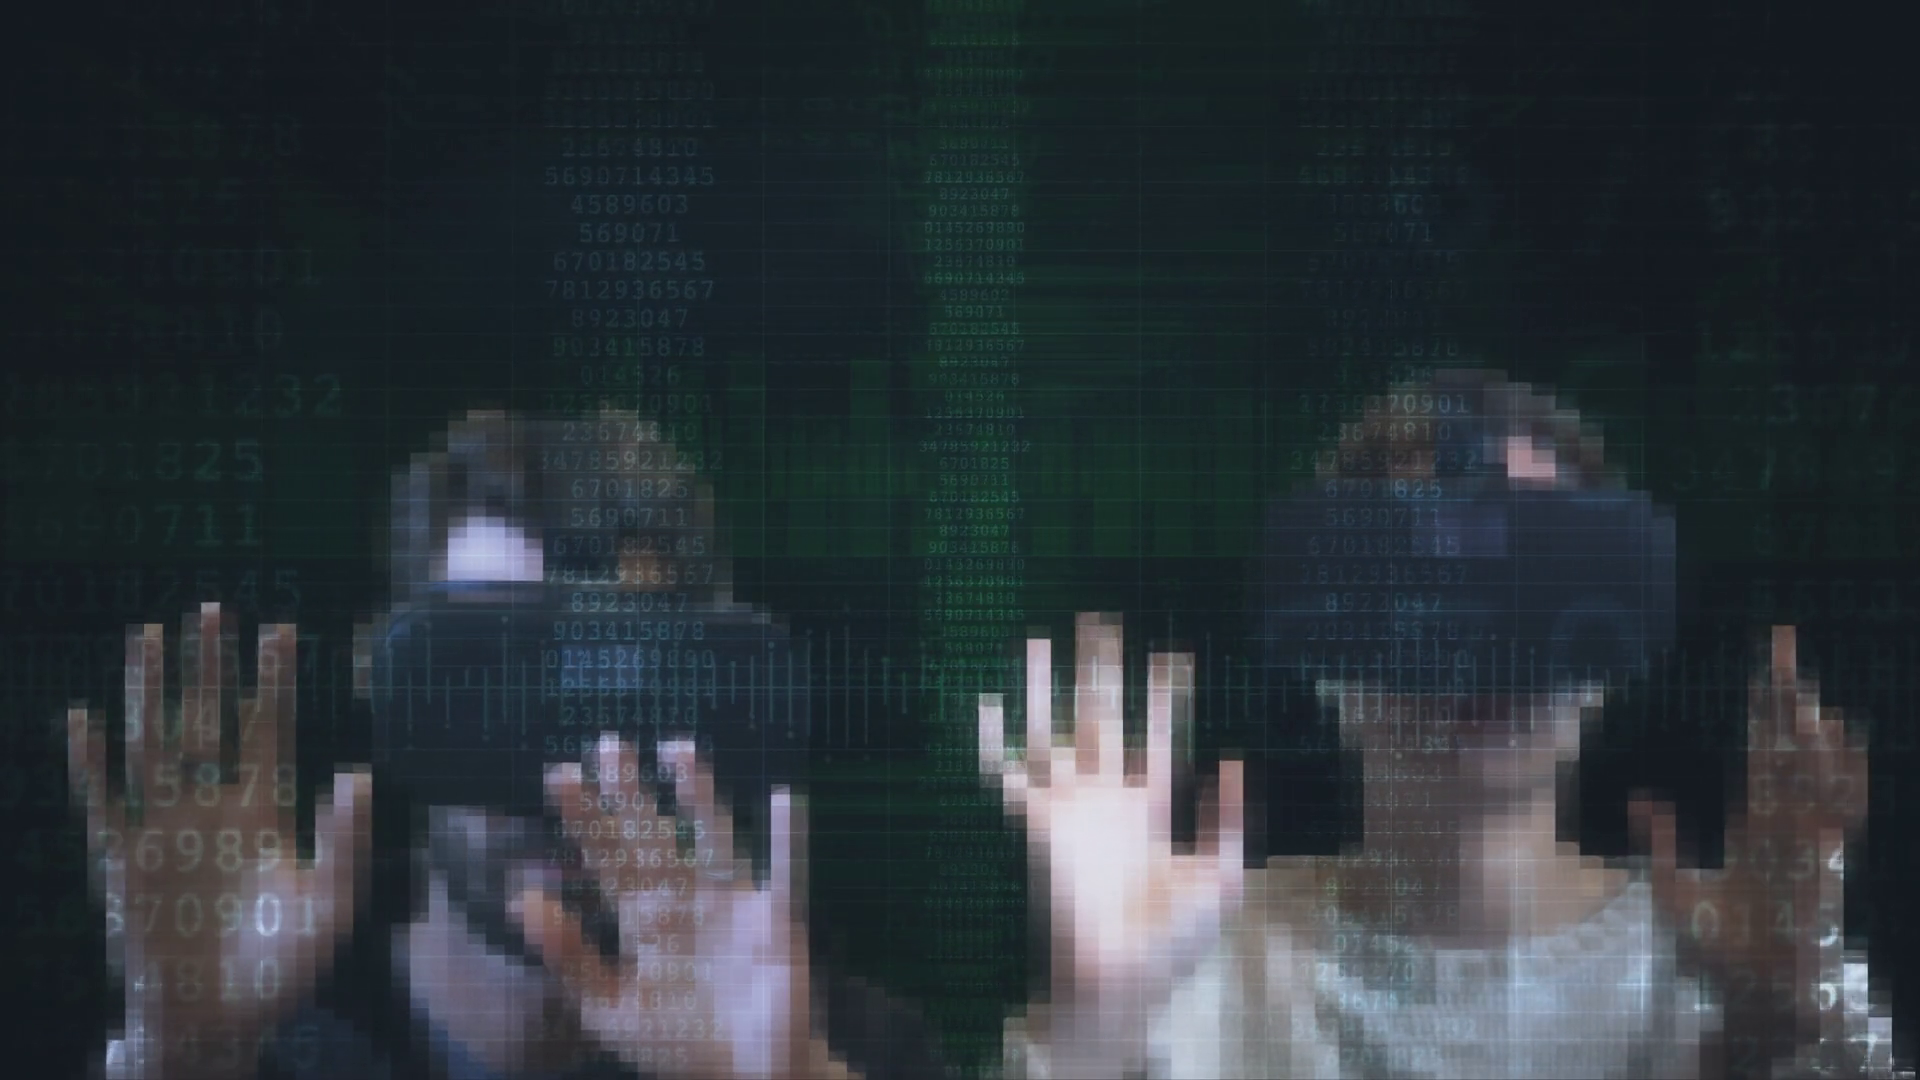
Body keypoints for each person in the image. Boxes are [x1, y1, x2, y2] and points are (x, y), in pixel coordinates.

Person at [980, 369, 1907, 1079]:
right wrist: (1094, 1022)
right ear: (1328, 651)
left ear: (1606, 658)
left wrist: (1786, 1028)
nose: (1481, 650)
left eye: (1542, 587)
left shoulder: (1727, 953)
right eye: (1416, 587)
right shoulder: (1192, 961)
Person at [64, 409, 952, 1079]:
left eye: (615, 685)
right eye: (494, 679)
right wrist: (183, 1060)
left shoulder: (835, 1045)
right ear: (395, 683)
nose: (559, 778)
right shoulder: (266, 1032)